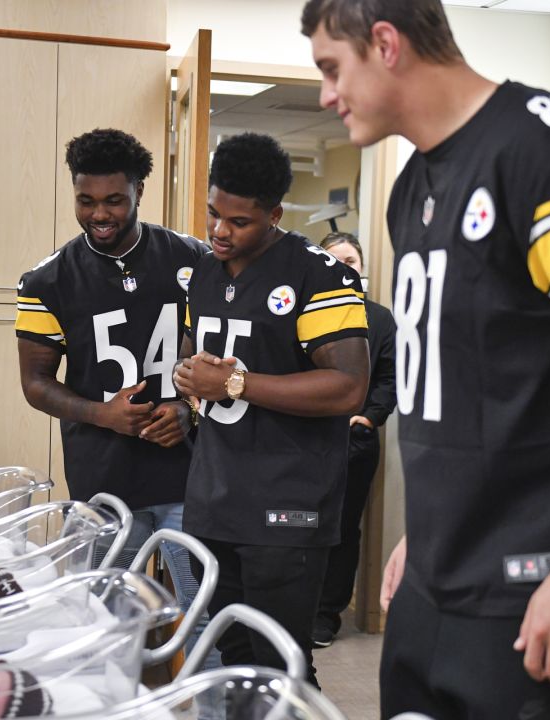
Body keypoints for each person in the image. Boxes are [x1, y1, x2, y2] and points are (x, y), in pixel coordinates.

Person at [301, 1, 550, 716]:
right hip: (449, 566)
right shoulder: (412, 187)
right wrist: (427, 536)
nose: (327, 95)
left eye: (333, 69)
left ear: (386, 45)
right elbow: (463, 387)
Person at [13, 128, 220, 704]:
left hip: (184, 470)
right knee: (106, 622)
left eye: (114, 200)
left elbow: (214, 351)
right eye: (86, 201)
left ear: (138, 193)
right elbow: (35, 382)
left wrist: (187, 406)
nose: (99, 214)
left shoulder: (192, 259)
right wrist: (102, 415)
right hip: (103, 481)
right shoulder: (46, 280)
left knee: (203, 614)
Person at [172, 132, 371, 688]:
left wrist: (235, 382)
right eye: (213, 214)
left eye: (238, 222)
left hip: (287, 502)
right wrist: (190, 375)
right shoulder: (205, 273)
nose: (219, 231)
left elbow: (348, 386)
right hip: (216, 495)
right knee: (233, 662)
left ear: (276, 214)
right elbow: (205, 361)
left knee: (280, 666)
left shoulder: (320, 274)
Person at [311, 232, 396, 649]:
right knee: (304, 526)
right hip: (308, 440)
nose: (344, 267)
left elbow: (387, 378)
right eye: (334, 260)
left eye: (351, 260)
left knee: (343, 530)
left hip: (355, 442)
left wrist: (369, 416)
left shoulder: (380, 319)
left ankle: (327, 615)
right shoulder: (305, 310)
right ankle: (300, 608)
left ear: (362, 268)